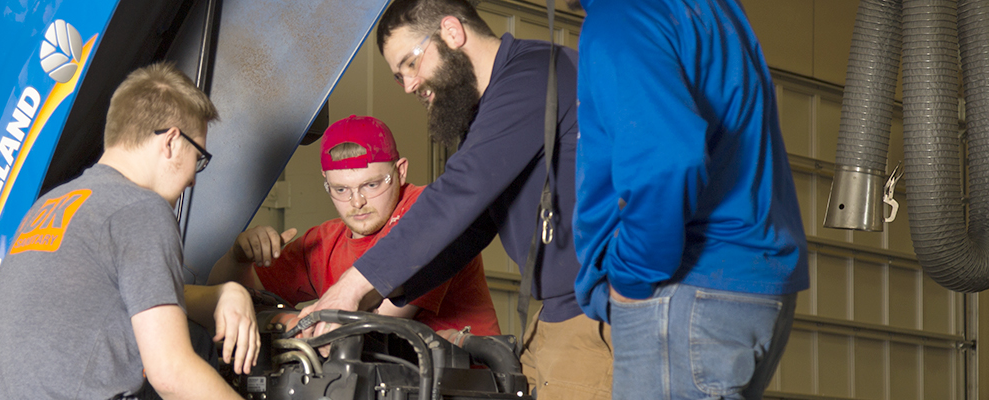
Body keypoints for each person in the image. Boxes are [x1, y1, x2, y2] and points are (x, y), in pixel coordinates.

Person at [298, 0, 613, 398]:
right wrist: (376, 301)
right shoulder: (487, 110)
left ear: (451, 31)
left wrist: (351, 286)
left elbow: (459, 194)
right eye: (399, 77)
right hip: (555, 316)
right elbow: (469, 229)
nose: (410, 85)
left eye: (410, 64)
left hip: (593, 316)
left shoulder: (535, 75)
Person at [0, 63, 256, 400]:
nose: (193, 178)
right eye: (199, 158)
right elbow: (171, 374)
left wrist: (226, 293)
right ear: (171, 142)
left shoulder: (53, 204)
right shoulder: (141, 209)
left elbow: (122, 296)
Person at [570, 0, 808, 398]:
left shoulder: (620, 16)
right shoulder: (710, 8)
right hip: (749, 284)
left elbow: (666, 156)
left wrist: (631, 276)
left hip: (683, 291)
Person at [209, 115, 501, 339]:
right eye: (341, 190)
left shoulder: (427, 212)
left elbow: (383, 323)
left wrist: (290, 322)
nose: (357, 202)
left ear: (400, 172)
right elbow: (220, 296)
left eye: (371, 184)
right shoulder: (323, 242)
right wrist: (239, 258)